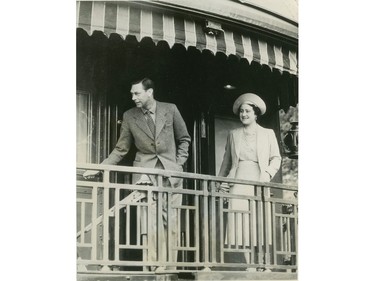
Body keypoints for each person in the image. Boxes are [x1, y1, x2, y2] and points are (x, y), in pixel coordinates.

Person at [83, 77, 191, 271]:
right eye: (132, 93)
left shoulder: (170, 109)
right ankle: (152, 266)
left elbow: (184, 139)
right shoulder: (129, 116)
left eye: (137, 93)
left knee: (172, 220)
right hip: (144, 176)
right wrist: (99, 167)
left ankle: (169, 267)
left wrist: (178, 165)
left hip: (171, 174)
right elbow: (120, 149)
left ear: (149, 92)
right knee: (149, 222)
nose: (133, 97)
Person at [216, 93, 281, 269]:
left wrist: (267, 174)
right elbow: (226, 161)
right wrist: (220, 182)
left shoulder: (267, 134)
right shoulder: (233, 134)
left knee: (259, 220)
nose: (244, 114)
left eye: (248, 111)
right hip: (238, 180)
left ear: (256, 114)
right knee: (240, 221)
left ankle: (263, 263)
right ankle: (249, 264)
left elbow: (276, 158)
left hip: (259, 179)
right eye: (242, 111)